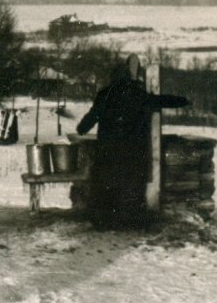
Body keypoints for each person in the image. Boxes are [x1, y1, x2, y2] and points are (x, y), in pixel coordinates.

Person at [76, 55, 189, 226]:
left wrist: (81, 129)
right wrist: (184, 101)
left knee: (105, 184)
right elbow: (160, 100)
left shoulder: (104, 94)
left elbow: (91, 117)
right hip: (132, 150)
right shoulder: (137, 94)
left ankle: (102, 221)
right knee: (132, 186)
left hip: (108, 149)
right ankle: (131, 221)